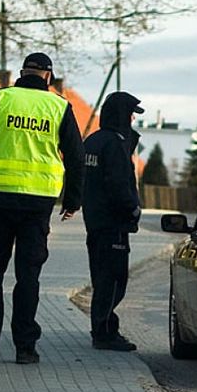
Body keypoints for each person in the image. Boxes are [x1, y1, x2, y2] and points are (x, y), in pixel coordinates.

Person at [0, 52, 84, 365]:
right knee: (28, 276)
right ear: (48, 77)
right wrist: (72, 201)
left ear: (21, 73)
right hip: (37, 205)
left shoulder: (0, 100)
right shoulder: (59, 106)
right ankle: (26, 347)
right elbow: (76, 157)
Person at [82, 90, 144, 351]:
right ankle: (104, 331)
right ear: (121, 115)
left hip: (94, 221)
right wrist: (133, 210)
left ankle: (103, 327)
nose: (132, 120)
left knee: (101, 277)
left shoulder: (92, 142)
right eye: (130, 114)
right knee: (114, 280)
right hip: (113, 224)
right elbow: (119, 184)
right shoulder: (115, 145)